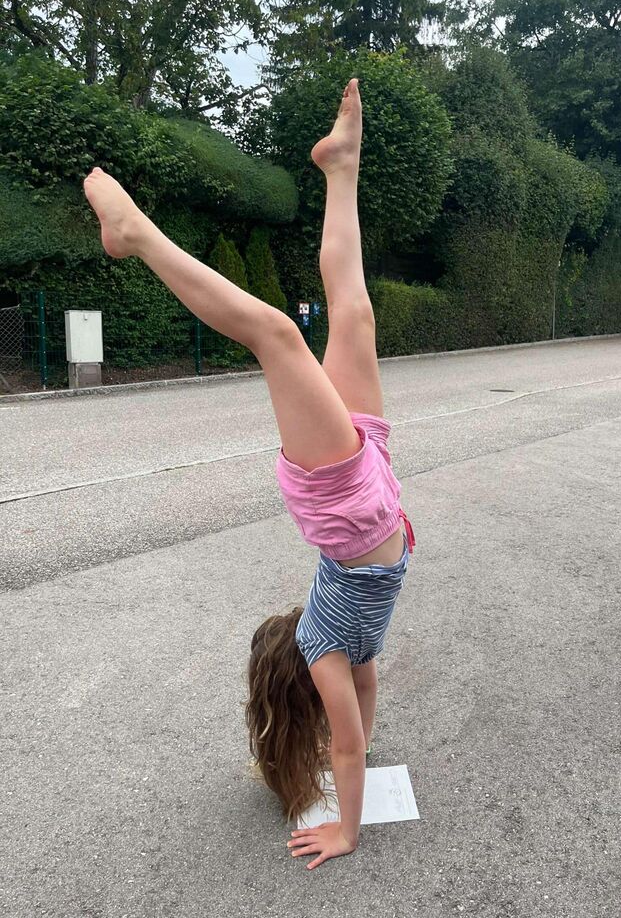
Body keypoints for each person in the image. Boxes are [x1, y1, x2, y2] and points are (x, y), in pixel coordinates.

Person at [82, 78, 415, 871]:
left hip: (349, 510)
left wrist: (346, 830)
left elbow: (344, 743)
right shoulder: (350, 652)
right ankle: (341, 167)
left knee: (275, 334)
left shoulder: (327, 647)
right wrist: (359, 749)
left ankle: (138, 235)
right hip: (371, 496)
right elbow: (361, 719)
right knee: (353, 311)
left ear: (303, 678)